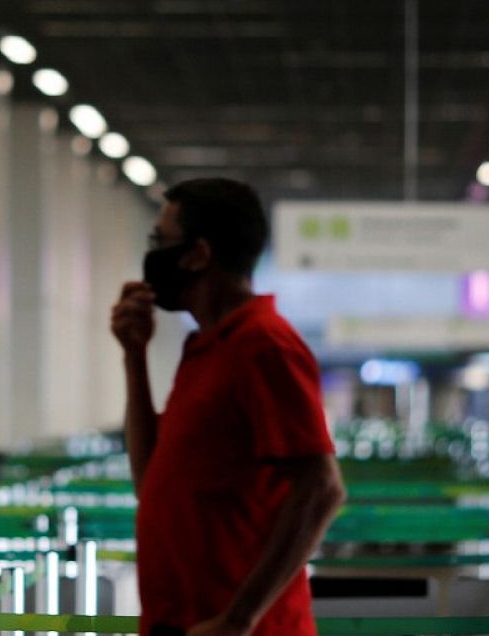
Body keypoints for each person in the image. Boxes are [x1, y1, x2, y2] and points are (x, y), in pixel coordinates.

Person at [110, 178, 345, 636]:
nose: (154, 254)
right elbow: (148, 478)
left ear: (198, 254)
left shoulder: (265, 345)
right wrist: (134, 357)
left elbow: (321, 487)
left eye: (162, 241)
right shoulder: (206, 347)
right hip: (184, 622)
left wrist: (238, 619)